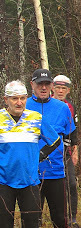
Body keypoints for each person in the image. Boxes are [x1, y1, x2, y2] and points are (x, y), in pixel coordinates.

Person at [0, 80, 60, 227]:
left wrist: (39, 155)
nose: (19, 102)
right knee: (4, 224)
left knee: (32, 224)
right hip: (2, 181)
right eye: (14, 98)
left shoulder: (36, 118)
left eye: (22, 98)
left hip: (30, 180)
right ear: (6, 100)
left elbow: (55, 141)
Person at [26, 69, 76, 228]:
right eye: (39, 84)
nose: (43, 87)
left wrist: (72, 154)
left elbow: (70, 135)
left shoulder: (62, 108)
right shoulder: (23, 105)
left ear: (51, 86)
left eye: (47, 84)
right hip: (29, 171)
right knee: (31, 220)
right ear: (32, 84)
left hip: (55, 171)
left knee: (60, 219)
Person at [52, 75, 79, 227]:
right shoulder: (45, 104)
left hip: (66, 152)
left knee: (71, 185)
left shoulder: (70, 106)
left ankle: (72, 217)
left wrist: (75, 152)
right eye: (58, 88)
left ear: (68, 90)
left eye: (63, 88)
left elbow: (74, 133)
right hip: (46, 153)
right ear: (52, 88)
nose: (60, 91)